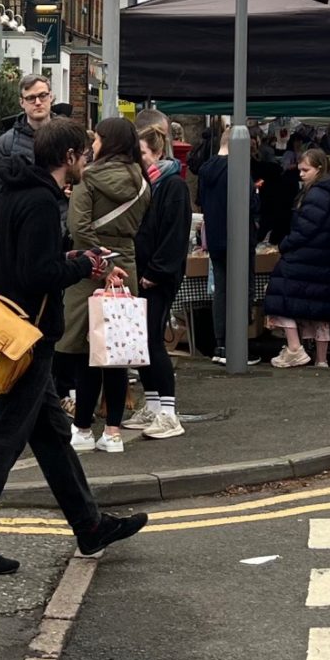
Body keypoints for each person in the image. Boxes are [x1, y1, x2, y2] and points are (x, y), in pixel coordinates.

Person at [0, 117, 151, 575]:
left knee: (53, 437)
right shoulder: (38, 202)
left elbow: (24, 262)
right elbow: (38, 275)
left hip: (17, 333)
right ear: (70, 157)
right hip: (26, 339)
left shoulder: (17, 194)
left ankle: (90, 526)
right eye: (84, 153)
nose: (88, 159)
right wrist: (82, 266)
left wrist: (80, 260)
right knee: (1, 440)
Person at [61, 117, 151, 454]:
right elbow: (139, 223)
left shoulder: (88, 178)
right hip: (125, 266)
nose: (92, 145)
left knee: (88, 353)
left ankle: (83, 427)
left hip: (92, 267)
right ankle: (113, 432)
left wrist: (102, 265)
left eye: (96, 139)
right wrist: (117, 263)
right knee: (116, 353)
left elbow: (78, 226)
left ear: (107, 142)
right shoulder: (142, 181)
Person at [131, 122, 193, 438]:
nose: (138, 158)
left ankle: (168, 412)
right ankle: (154, 404)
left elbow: (174, 235)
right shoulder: (149, 185)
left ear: (156, 152)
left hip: (158, 277)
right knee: (141, 342)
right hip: (144, 274)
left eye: (142, 152)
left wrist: (155, 272)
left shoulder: (173, 187)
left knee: (152, 340)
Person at [266, 147, 330, 370]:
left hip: (308, 257)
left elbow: (305, 229)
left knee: (279, 294)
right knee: (320, 310)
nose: (301, 174)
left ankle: (294, 347)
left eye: (306, 170)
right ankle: (321, 359)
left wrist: (284, 245)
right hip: (327, 259)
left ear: (319, 169)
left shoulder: (315, 194)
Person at [196, 118, 235, 358]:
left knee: (220, 289)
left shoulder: (206, 169)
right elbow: (250, 204)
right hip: (235, 237)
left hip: (214, 237)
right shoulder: (235, 168)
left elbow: (201, 201)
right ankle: (235, 344)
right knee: (238, 290)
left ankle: (220, 342)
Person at [0, 75, 53, 188]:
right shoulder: (5, 143)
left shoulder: (66, 136)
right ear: (21, 102)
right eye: (31, 98)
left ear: (50, 96)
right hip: (22, 205)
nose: (37, 102)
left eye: (43, 95)